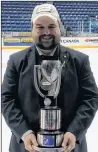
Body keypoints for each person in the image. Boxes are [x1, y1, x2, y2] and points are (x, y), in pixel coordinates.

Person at [2, 3, 98, 152]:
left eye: (52, 26)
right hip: (25, 147)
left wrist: (74, 131)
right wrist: (24, 132)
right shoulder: (16, 61)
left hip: (69, 147)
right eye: (40, 27)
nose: (46, 32)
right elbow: (6, 99)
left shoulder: (79, 61)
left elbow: (91, 98)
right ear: (32, 28)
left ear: (59, 27)